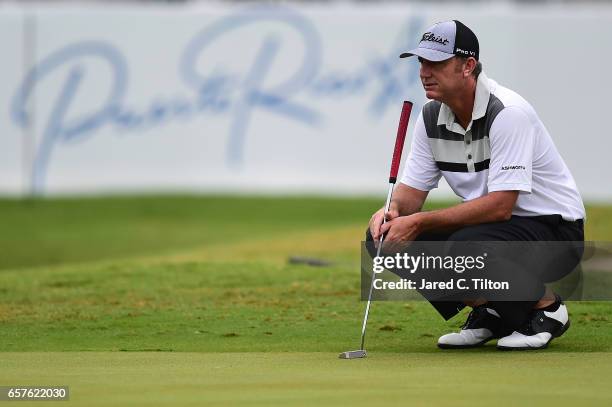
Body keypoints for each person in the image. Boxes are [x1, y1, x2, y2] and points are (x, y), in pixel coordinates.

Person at [367, 20, 585, 350]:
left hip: (556, 232)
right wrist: (392, 211)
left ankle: (547, 308)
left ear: (468, 66)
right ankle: (489, 310)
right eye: (421, 62)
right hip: (496, 232)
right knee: (383, 239)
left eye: (436, 62)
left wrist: (419, 221)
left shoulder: (507, 112)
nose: (425, 71)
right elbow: (408, 199)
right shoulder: (429, 118)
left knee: (465, 246)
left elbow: (500, 206)